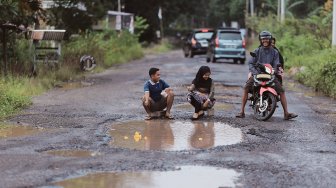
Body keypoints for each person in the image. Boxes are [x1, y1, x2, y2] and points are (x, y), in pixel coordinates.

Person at [236, 31, 298, 120]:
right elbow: (250, 63)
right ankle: (242, 111)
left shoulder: (275, 52)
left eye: (267, 39)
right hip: (258, 75)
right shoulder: (257, 51)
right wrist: (255, 72)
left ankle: (286, 113)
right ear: (261, 40)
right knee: (246, 88)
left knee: (281, 91)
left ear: (270, 39)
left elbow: (277, 63)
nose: (265, 40)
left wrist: (275, 70)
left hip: (270, 75)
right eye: (263, 39)